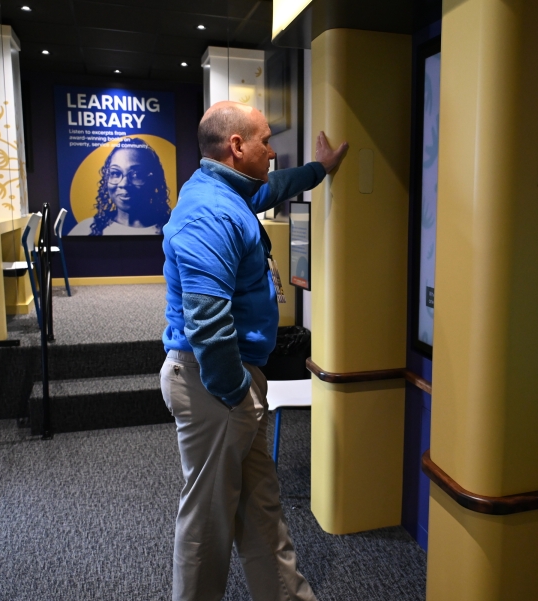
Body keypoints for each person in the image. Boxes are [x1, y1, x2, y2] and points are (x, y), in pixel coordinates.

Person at [159, 100, 348, 601]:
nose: (273, 151)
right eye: (266, 141)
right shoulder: (210, 213)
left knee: (259, 506)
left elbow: (276, 186)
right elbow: (206, 321)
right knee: (208, 522)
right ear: (237, 146)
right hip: (214, 382)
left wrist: (319, 171)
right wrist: (238, 394)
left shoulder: (230, 192)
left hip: (231, 380)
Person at [69, 137, 172, 235]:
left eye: (136, 174)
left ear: (152, 179)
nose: (124, 184)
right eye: (115, 173)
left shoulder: (173, 231)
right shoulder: (85, 229)